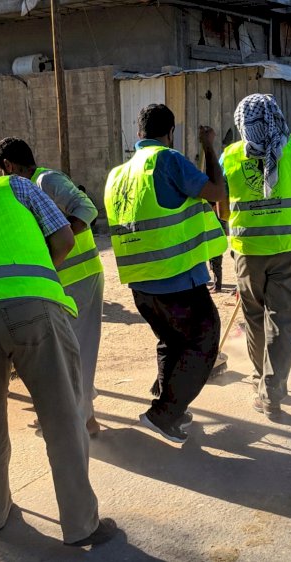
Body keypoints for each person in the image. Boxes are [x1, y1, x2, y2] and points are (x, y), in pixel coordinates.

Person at [0, 157, 116, 546]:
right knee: (62, 414)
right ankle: (81, 525)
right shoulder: (14, 186)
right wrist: (33, 277)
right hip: (32, 310)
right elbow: (65, 238)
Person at [104, 103, 227, 444]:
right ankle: (164, 414)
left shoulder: (119, 174)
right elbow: (216, 193)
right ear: (170, 132)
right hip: (175, 276)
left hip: (140, 283)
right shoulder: (167, 160)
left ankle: (170, 406)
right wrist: (208, 148)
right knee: (204, 341)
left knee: (171, 341)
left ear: (138, 133)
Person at [221, 93, 291, 419]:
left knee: (254, 318)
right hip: (288, 250)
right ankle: (272, 389)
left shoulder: (230, 156)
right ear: (276, 117)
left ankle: (261, 380)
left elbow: (222, 211)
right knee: (283, 321)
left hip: (248, 253)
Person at [0, 137, 104, 436]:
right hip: (59, 282)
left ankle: (81, 421)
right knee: (66, 351)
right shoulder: (27, 190)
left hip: (80, 277)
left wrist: (57, 241)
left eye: (1, 171)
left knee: (79, 350)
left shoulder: (47, 180)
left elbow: (87, 208)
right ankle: (81, 415)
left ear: (8, 165)